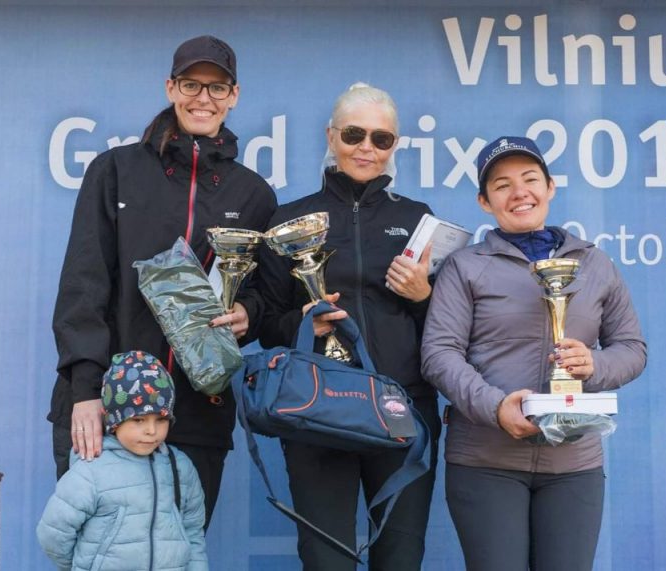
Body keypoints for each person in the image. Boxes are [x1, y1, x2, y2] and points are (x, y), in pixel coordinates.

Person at [49, 35, 277, 528]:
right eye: (192, 84)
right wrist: (86, 392)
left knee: (178, 554)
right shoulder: (116, 171)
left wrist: (248, 314)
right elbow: (83, 287)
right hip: (109, 410)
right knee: (100, 555)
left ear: (234, 96)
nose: (204, 98)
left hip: (196, 417)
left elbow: (262, 296)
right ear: (171, 87)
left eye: (218, 88)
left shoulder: (254, 194)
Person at [421, 136, 647, 571]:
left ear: (550, 187)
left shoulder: (595, 263)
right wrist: (494, 406)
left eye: (529, 179)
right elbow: (439, 353)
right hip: (485, 460)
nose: (519, 192)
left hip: (575, 463)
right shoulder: (464, 267)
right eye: (502, 185)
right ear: (485, 202)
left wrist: (594, 364)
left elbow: (632, 349)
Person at [257, 82, 441, 570]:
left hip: (403, 406)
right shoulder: (290, 220)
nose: (367, 148)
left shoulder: (417, 219)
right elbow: (266, 323)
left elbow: (445, 328)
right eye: (355, 134)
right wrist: (301, 325)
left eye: (382, 139)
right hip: (318, 406)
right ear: (331, 135)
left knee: (400, 555)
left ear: (394, 146)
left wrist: (424, 296)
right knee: (326, 559)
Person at [37, 350, 208, 570]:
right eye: (138, 419)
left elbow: (193, 534)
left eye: (161, 420)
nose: (151, 430)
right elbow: (53, 533)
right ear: (115, 421)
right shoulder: (91, 469)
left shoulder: (180, 468)